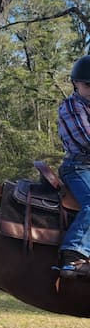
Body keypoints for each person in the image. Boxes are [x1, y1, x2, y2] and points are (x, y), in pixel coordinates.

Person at [57, 54, 90, 278]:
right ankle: (73, 254)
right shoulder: (71, 107)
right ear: (75, 83)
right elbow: (86, 139)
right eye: (88, 85)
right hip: (77, 167)